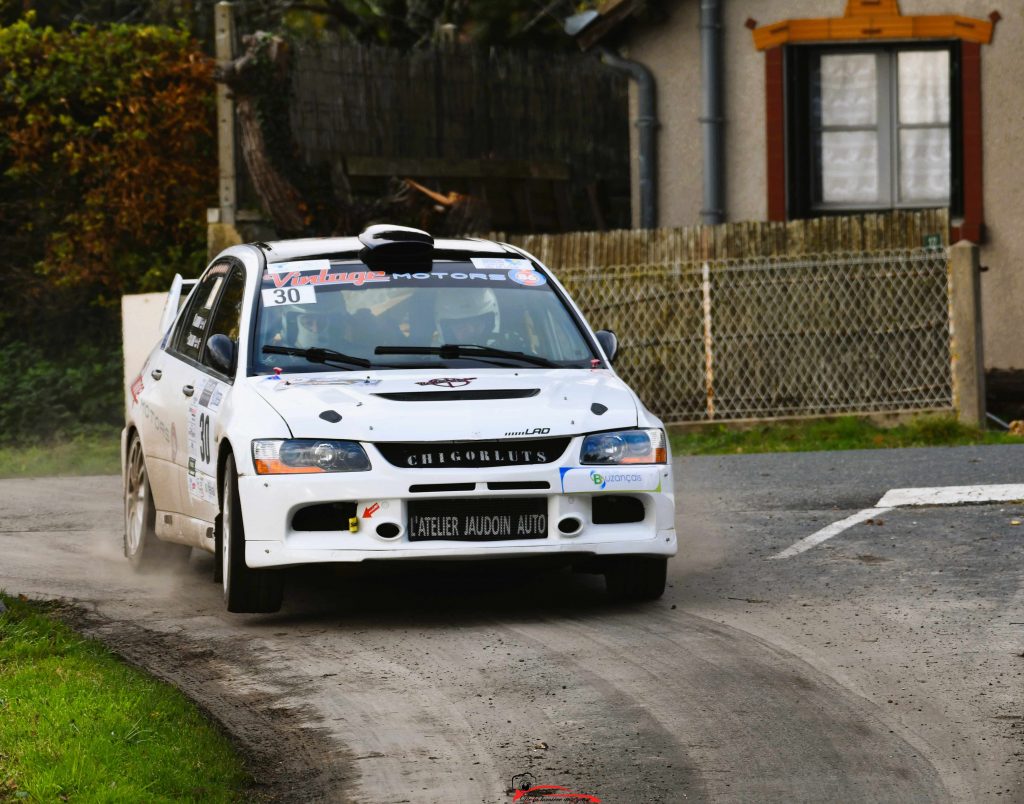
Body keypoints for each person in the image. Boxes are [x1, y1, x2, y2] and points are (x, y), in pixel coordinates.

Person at [435, 288, 499, 345]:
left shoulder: (505, 351)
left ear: (489, 323)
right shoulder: (431, 355)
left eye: (476, 323)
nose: (471, 330)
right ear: (447, 329)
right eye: (460, 324)